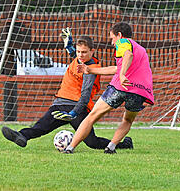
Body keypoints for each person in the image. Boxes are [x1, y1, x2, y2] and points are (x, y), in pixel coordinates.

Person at [1, 28, 133, 150]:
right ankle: (21, 136)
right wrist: (68, 45)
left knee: (92, 142)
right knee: (41, 127)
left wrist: (74, 113)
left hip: (76, 108)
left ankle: (123, 145)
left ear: (92, 51)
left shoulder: (91, 69)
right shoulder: (79, 59)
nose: (80, 55)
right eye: (79, 51)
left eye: (84, 52)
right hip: (60, 105)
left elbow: (86, 95)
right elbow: (74, 56)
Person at [64, 22, 154, 154]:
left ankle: (69, 148)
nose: (112, 42)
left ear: (119, 35)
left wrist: (123, 75)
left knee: (91, 117)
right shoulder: (141, 49)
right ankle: (111, 147)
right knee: (128, 120)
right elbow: (117, 69)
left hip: (120, 87)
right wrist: (90, 70)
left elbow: (128, 56)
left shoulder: (123, 42)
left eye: (112, 38)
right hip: (139, 92)